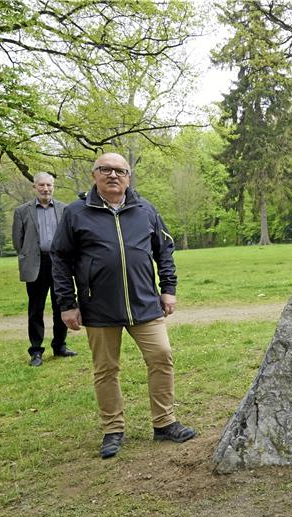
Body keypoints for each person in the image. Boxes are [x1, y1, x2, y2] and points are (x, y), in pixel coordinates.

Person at [51, 153, 196, 458]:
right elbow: (60, 260)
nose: (113, 175)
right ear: (95, 175)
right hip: (98, 307)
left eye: (120, 171)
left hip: (145, 304)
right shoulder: (76, 213)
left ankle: (164, 423)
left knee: (162, 357)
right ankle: (113, 430)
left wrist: (168, 288)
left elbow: (164, 250)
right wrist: (67, 303)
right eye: (106, 170)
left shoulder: (145, 210)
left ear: (129, 177)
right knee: (105, 370)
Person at [12, 172, 77, 366]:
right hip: (35, 264)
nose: (45, 189)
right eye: (41, 185)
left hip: (59, 264)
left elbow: (70, 238)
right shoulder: (22, 211)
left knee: (61, 306)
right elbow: (18, 241)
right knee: (36, 309)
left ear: (53, 187)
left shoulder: (65, 209)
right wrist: (29, 253)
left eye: (49, 185)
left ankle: (60, 346)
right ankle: (36, 351)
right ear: (35, 187)